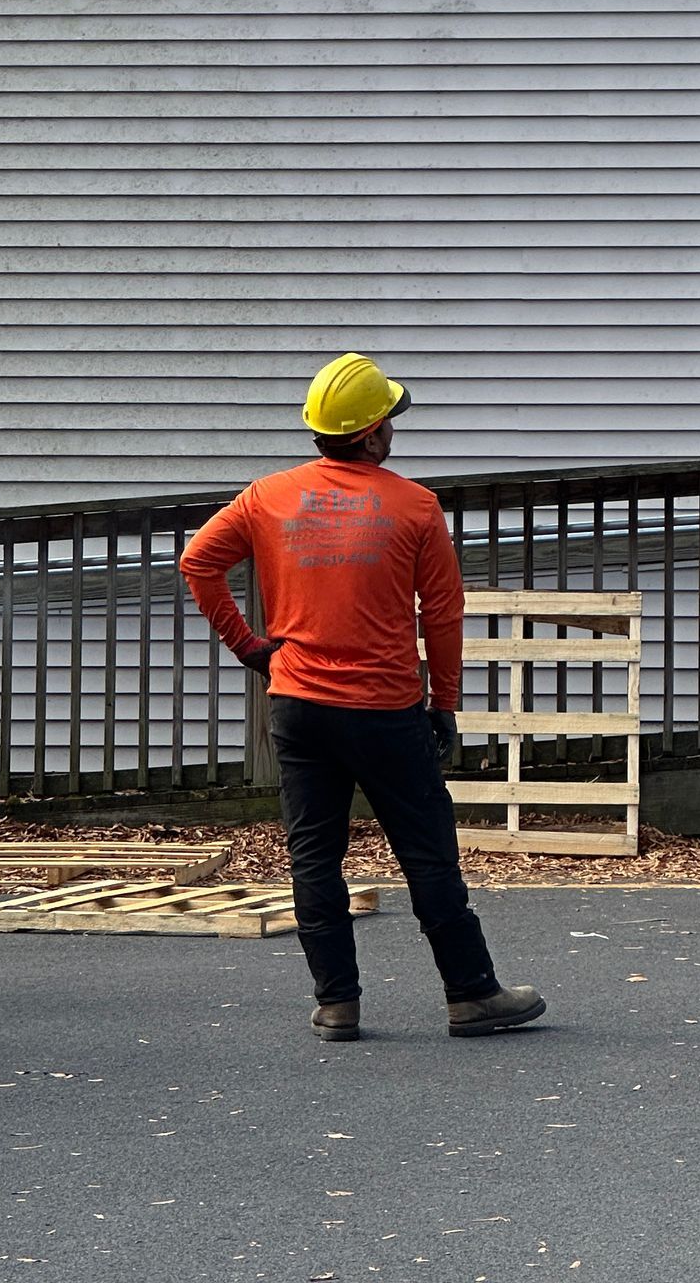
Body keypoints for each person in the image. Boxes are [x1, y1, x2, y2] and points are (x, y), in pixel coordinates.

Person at [180, 354, 544, 1043]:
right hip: (385, 709)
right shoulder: (414, 506)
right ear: (372, 435)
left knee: (314, 854)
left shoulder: (267, 497)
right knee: (427, 855)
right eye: (390, 422)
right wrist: (445, 702)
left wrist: (252, 649)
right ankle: (471, 995)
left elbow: (197, 563)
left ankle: (336, 1004)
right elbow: (442, 611)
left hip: (300, 707)